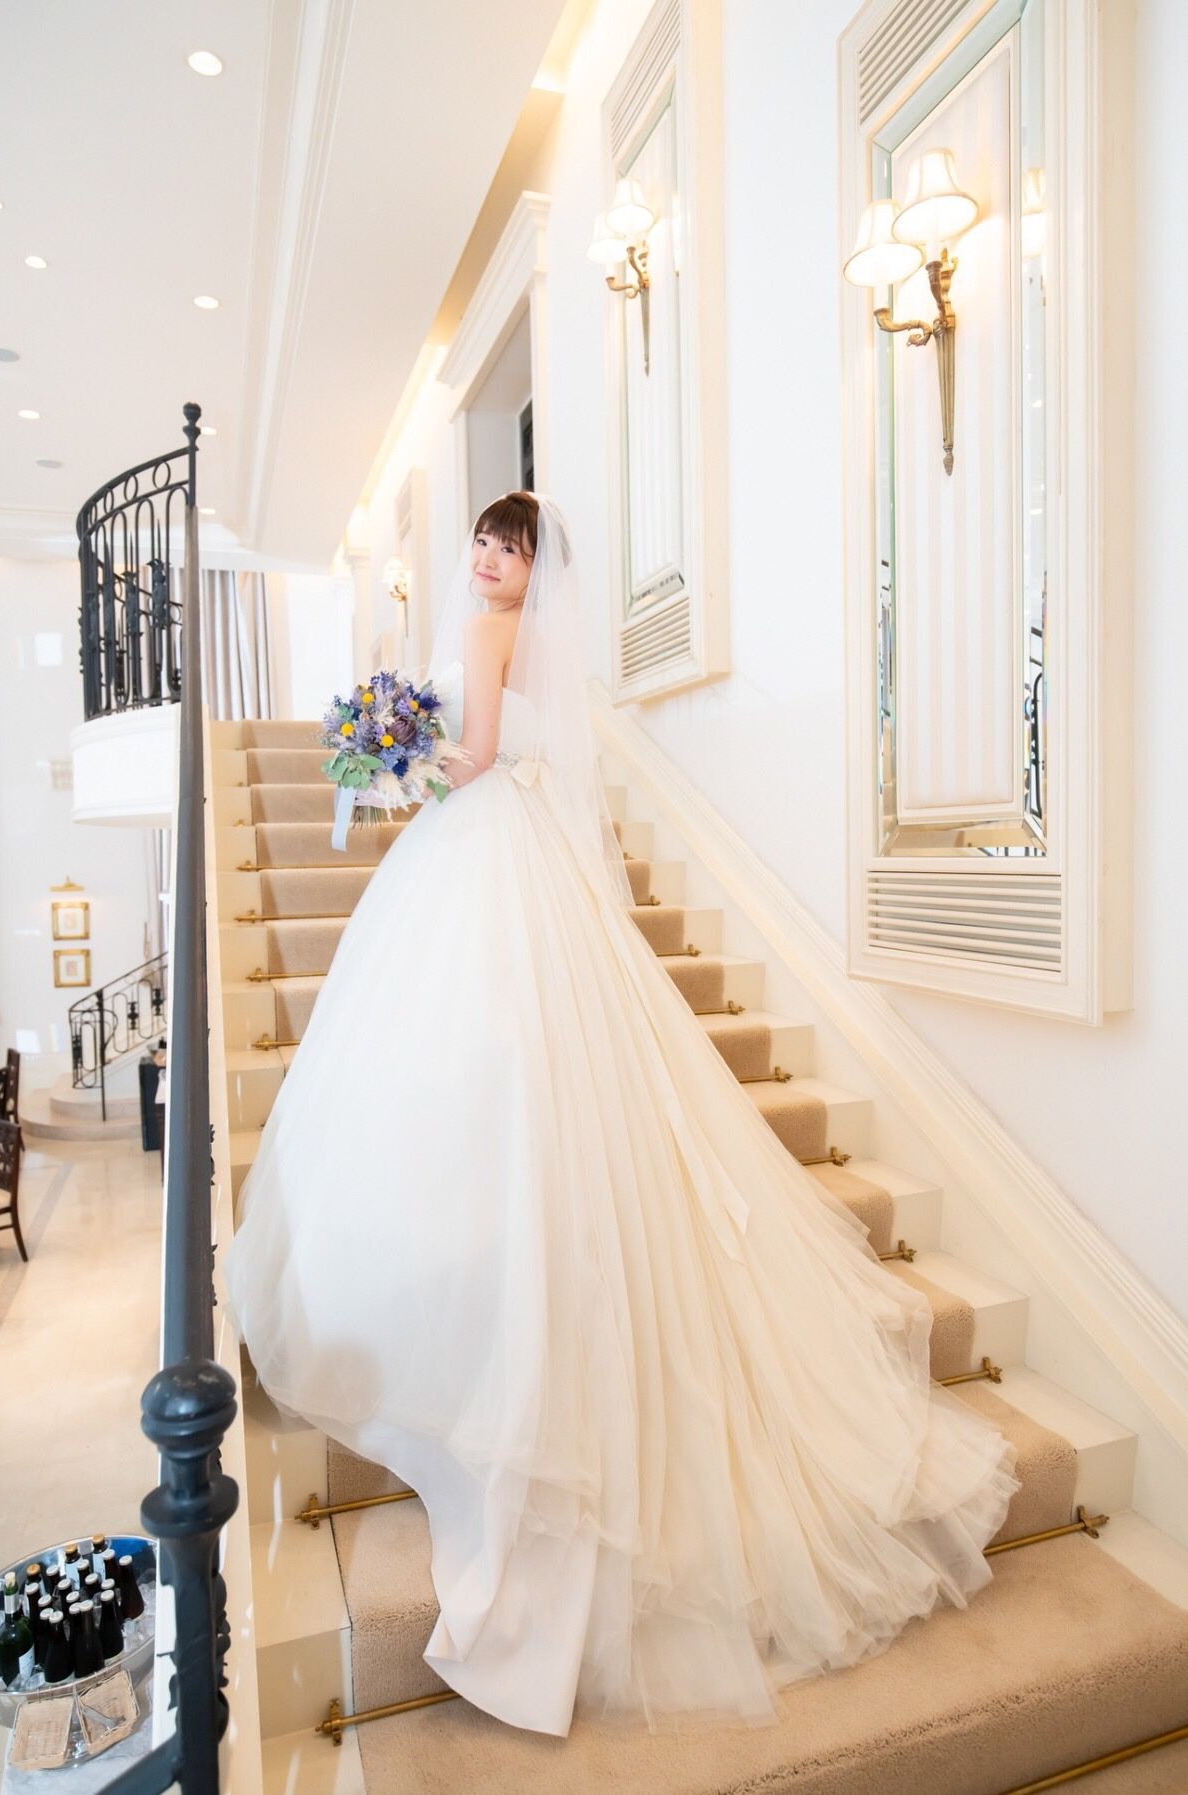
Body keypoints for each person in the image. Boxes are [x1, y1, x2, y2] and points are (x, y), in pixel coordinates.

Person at [220, 491, 1022, 1741]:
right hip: (518, 857)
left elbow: (477, 757)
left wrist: (395, 764)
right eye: (484, 543)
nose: (489, 561)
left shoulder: (484, 633)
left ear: (531, 567)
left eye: (509, 548)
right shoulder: (532, 639)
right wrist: (405, 756)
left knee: (470, 1063)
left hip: (480, 847)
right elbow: (516, 752)